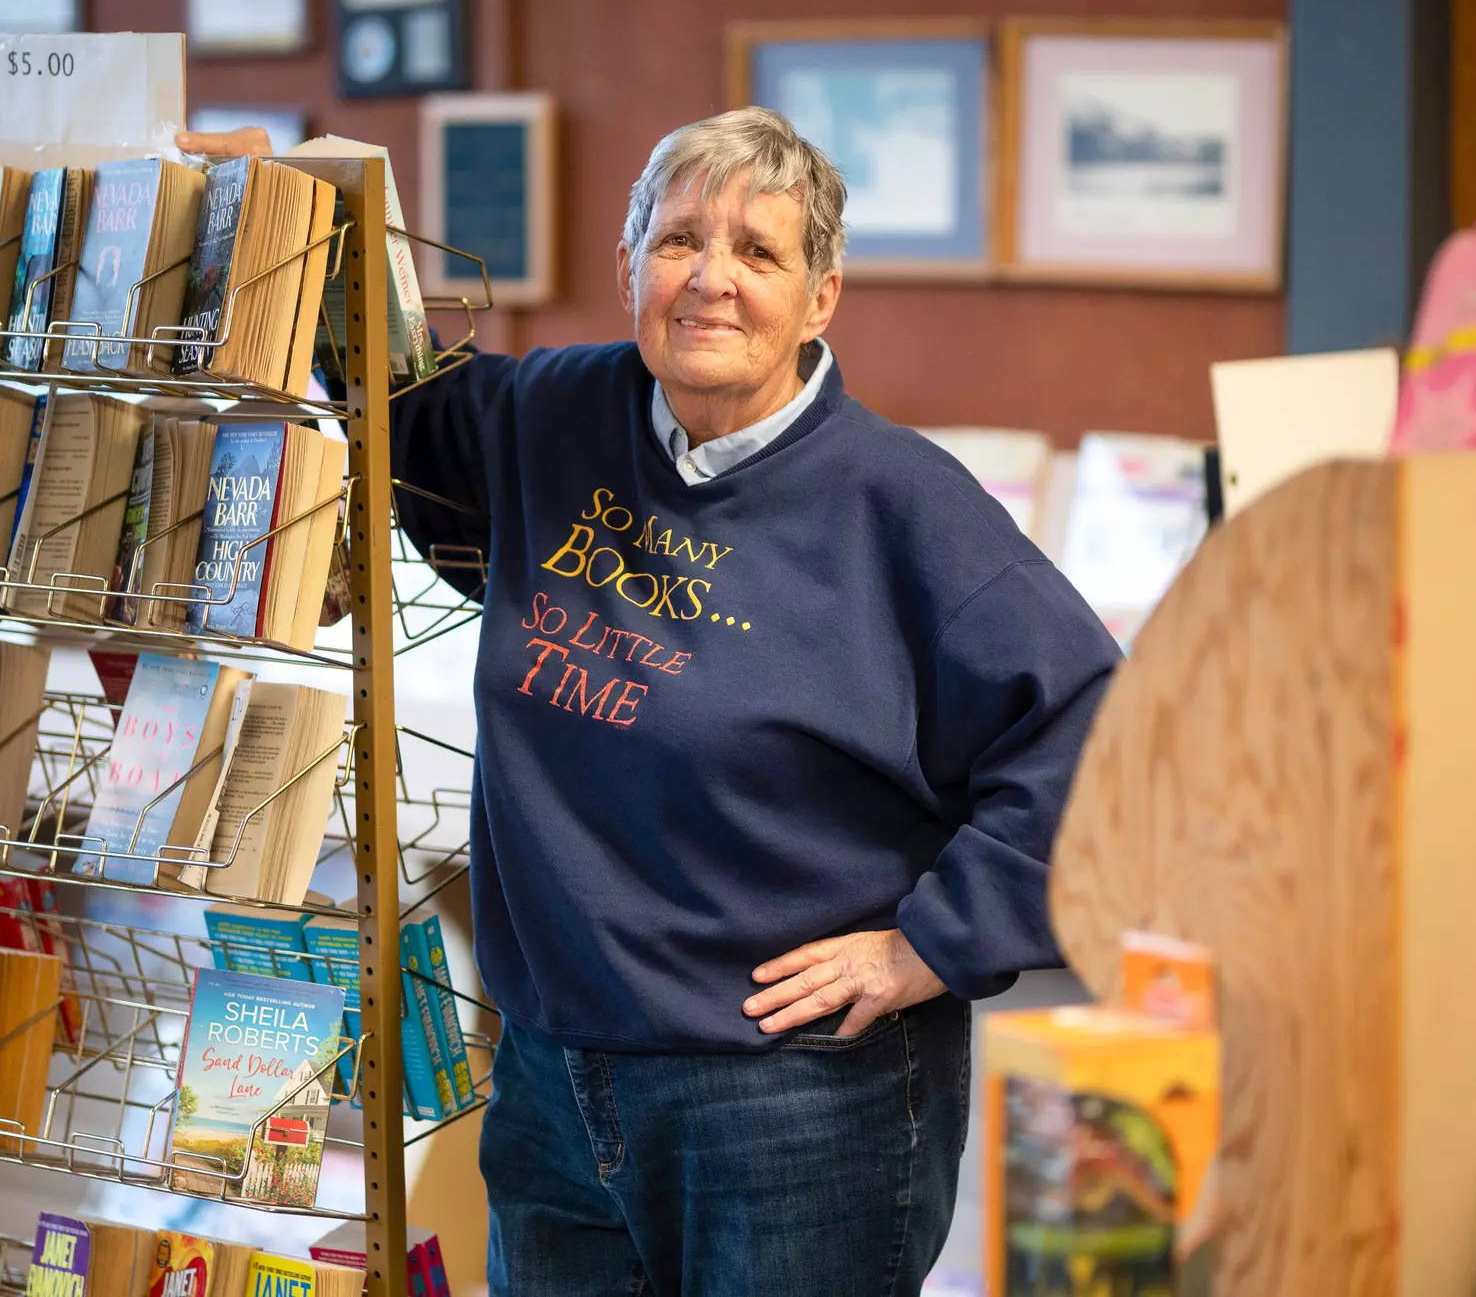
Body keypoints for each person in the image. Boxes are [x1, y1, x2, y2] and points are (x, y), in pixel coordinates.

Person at [178, 110, 1120, 1295]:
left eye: (759, 253)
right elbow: (399, 394)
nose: (711, 280)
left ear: (821, 298)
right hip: (548, 1079)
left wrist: (929, 945)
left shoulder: (906, 509)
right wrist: (290, 205)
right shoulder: (555, 415)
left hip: (791, 1101)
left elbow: (1098, 734)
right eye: (678, 239)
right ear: (630, 267)